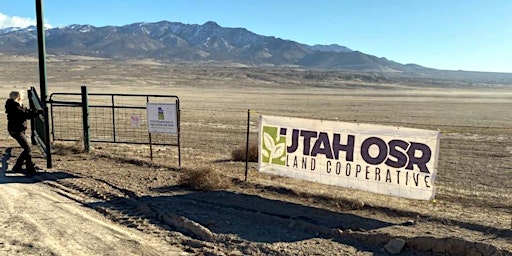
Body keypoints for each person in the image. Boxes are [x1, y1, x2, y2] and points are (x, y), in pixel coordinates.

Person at [4, 90, 43, 175]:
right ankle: (18, 166)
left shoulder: (14, 105)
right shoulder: (15, 107)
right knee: (27, 148)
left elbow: (25, 111)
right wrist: (38, 112)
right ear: (18, 97)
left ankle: (29, 167)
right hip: (16, 131)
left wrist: (34, 111)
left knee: (27, 148)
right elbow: (25, 114)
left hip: (17, 129)